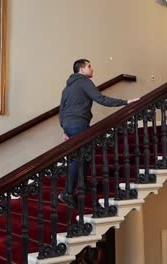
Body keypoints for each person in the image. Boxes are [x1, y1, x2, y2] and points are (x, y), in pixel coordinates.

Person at [58, 59, 140, 207]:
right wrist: (126, 102)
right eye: (89, 66)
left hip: (70, 124)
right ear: (81, 70)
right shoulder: (84, 82)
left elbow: (62, 110)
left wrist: (65, 129)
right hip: (78, 124)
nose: (92, 69)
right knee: (79, 156)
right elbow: (100, 99)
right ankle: (67, 193)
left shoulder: (67, 88)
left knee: (85, 153)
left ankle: (82, 185)